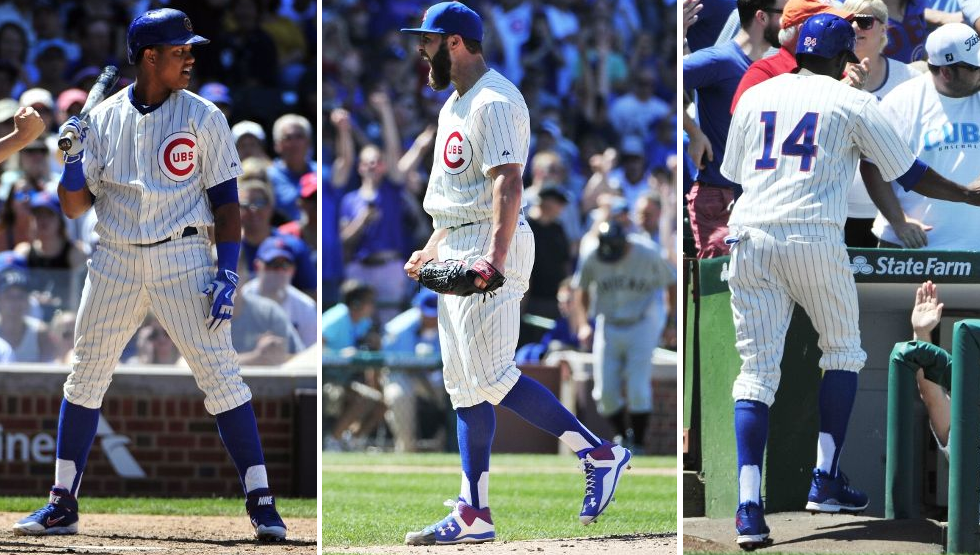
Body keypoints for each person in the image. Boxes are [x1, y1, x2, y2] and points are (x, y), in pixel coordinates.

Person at [11, 9, 286, 541]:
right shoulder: (104, 118)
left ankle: (262, 500)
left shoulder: (204, 116)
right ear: (149, 57)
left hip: (182, 256)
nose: (188, 58)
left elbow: (227, 207)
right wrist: (72, 156)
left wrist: (227, 272)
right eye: (178, 50)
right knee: (86, 374)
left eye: (189, 50)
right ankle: (62, 502)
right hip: (113, 256)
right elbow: (72, 207)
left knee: (222, 378)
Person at [721, 13, 980, 549]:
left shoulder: (755, 95)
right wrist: (969, 195)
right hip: (813, 232)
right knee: (841, 352)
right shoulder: (851, 99)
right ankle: (825, 477)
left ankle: (749, 507)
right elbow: (909, 174)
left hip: (748, 233)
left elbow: (733, 177)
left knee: (755, 373)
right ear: (845, 60)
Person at [400, 2, 631, 545]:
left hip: (490, 242)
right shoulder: (454, 105)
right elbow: (457, 198)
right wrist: (430, 246)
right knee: (463, 387)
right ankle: (473, 513)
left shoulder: (497, 99)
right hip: (459, 240)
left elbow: (507, 185)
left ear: (455, 42)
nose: (420, 50)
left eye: (428, 40)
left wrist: (496, 259)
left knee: (492, 375)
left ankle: (597, 453)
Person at [683, 0, 787, 259]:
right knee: (720, 292)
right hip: (719, 197)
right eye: (784, 14)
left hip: (763, 200)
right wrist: (694, 133)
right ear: (761, 17)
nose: (790, 22)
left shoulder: (778, 66)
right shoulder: (720, 60)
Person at [868, 23, 980, 249]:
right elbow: (872, 166)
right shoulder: (900, 103)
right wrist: (899, 222)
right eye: (976, 67)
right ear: (947, 72)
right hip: (914, 249)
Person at [571, 220, 675, 452]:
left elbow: (672, 282)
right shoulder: (593, 255)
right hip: (608, 323)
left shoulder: (648, 252)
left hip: (643, 321)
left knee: (638, 387)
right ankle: (621, 436)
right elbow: (581, 288)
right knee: (604, 392)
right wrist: (583, 324)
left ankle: (637, 443)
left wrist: (669, 321)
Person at [842, 0, 921, 247]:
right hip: (838, 212)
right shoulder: (826, 78)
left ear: (884, 29)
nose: (855, 27)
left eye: (865, 21)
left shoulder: (909, 80)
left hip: (897, 215)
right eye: (848, 21)